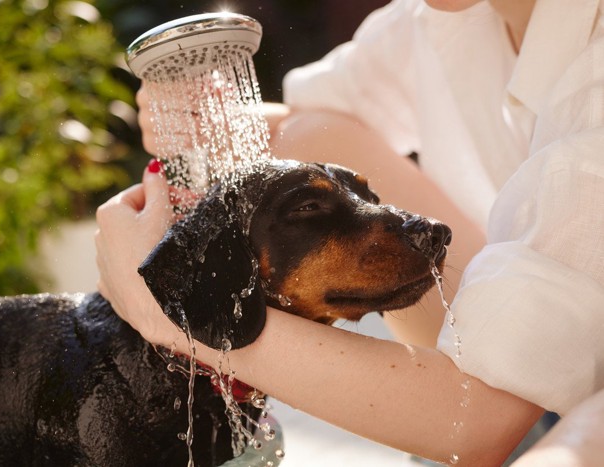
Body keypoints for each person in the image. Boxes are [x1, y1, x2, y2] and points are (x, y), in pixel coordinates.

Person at [95, 0, 604, 464]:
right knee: (307, 131)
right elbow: (292, 127)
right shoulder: (442, 19)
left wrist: (168, 313)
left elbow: (475, 421)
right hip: (537, 367)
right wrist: (198, 119)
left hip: (561, 409)